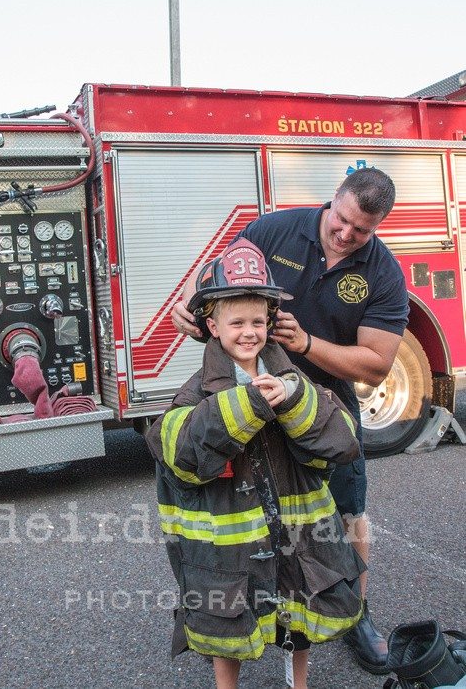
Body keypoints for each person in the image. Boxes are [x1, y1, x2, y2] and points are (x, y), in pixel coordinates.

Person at [171, 167, 409, 675]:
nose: (347, 235)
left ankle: (354, 613)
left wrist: (305, 345)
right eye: (342, 221)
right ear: (334, 201)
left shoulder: (383, 272)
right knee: (239, 518)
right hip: (243, 400)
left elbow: (377, 362)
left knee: (345, 511)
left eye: (361, 231)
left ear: (378, 228)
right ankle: (246, 610)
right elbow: (214, 278)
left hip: (323, 409)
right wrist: (189, 313)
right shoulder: (273, 230)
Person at [147, 239, 366, 689]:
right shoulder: (196, 392)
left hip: (297, 538)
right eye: (237, 322)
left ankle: (297, 684)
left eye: (258, 321)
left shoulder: (292, 378)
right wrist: (246, 405)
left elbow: (343, 440)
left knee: (298, 617)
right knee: (226, 626)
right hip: (229, 554)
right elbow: (181, 455)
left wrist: (294, 398)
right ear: (211, 324)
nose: (249, 332)